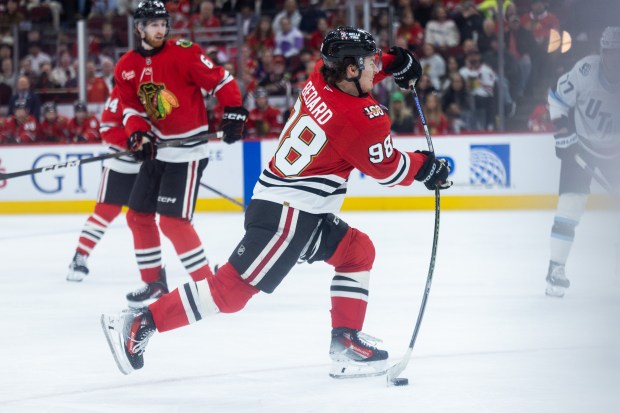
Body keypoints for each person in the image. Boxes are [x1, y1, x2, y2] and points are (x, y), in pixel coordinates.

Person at [101, 26, 451, 378]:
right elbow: (387, 170)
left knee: (357, 251)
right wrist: (427, 167)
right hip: (288, 215)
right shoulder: (361, 119)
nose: (375, 68)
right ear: (349, 69)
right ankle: (140, 322)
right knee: (229, 293)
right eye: (370, 63)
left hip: (296, 208)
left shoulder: (321, 76)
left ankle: (345, 342)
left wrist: (395, 62)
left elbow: (358, 81)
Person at [113, 0, 247, 307]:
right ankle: (154, 283)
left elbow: (221, 80)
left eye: (163, 23)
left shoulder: (184, 52)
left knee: (173, 222)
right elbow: (130, 106)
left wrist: (234, 112)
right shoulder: (126, 66)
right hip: (158, 150)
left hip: (186, 153)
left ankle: (207, 285)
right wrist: (138, 133)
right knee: (138, 216)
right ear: (140, 28)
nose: (160, 29)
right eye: (153, 24)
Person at [545, 27, 620, 297]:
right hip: (582, 147)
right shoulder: (585, 71)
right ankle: (556, 270)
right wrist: (564, 134)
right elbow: (556, 99)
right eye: (608, 51)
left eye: (617, 52)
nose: (613, 58)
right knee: (570, 206)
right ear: (602, 52)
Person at [66, 87, 141, 282]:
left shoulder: (160, 86)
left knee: (170, 214)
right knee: (105, 212)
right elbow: (107, 129)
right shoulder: (121, 92)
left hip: (148, 166)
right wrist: (132, 145)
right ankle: (80, 256)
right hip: (120, 166)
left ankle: (195, 266)